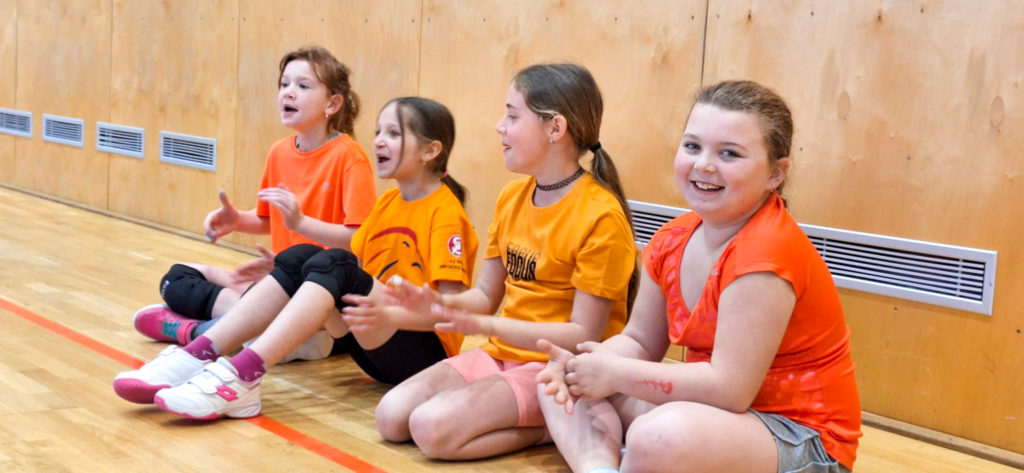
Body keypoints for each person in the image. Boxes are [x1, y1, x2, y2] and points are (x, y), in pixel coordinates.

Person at [536, 80, 862, 473]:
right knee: (556, 381)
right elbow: (640, 341)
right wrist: (585, 365)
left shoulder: (767, 251)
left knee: (658, 436)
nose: (704, 164)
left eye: (729, 153)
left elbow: (730, 389)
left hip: (800, 437)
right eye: (693, 146)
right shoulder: (671, 239)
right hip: (716, 414)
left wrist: (615, 373)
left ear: (775, 174)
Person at [112, 97, 478, 417]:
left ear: (431, 150)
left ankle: (242, 375)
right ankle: (198, 354)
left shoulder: (445, 214)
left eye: (394, 133)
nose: (380, 140)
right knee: (303, 255)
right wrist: (292, 250)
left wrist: (393, 311)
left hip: (422, 356)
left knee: (335, 263)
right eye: (378, 131)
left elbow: (452, 312)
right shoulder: (389, 202)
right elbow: (354, 252)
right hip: (374, 348)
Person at [347, 63, 638, 460]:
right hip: (501, 353)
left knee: (430, 428)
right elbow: (485, 295)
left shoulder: (601, 215)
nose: (500, 126)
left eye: (513, 116)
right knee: (391, 417)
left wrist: (486, 325)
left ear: (555, 128)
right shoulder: (512, 196)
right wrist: (435, 303)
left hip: (556, 368)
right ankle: (543, 423)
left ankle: (554, 425)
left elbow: (582, 334)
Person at [131, 45, 376, 361]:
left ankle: (203, 331)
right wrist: (237, 221)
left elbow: (359, 240)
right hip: (279, 281)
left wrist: (302, 224)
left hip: (321, 294)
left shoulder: (350, 157)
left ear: (333, 103)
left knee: (278, 313)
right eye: (284, 84)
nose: (288, 92)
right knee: (176, 277)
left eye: (303, 86)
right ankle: (258, 330)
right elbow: (271, 219)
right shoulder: (279, 152)